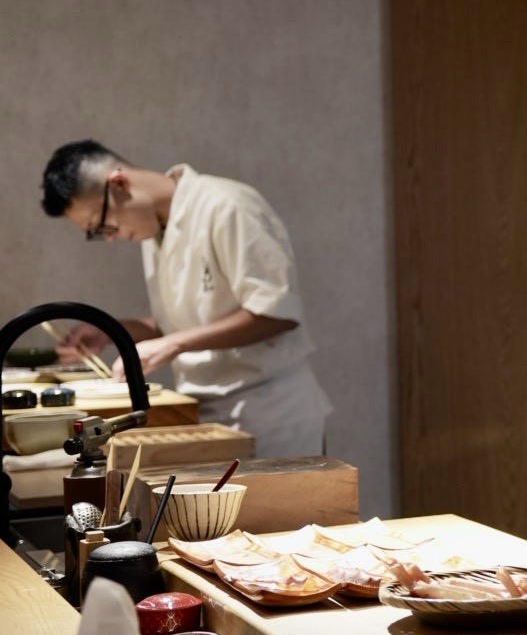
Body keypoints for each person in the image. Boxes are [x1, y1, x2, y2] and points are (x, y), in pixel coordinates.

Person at [40, 141, 331, 459]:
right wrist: (112, 332)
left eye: (102, 224)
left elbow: (277, 312)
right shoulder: (155, 231)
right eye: (97, 232)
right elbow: (184, 321)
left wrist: (173, 345)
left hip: (270, 412)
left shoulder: (226, 205)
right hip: (205, 410)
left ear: (119, 184)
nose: (109, 237)